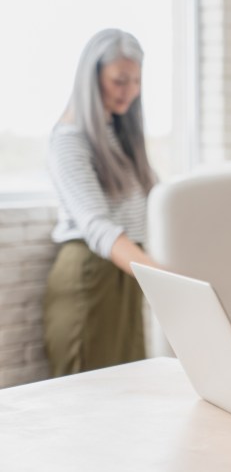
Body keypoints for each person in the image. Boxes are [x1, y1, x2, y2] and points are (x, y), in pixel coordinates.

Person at [43, 29, 161, 377]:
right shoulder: (69, 139)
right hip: (90, 276)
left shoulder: (122, 136)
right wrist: (161, 276)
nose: (129, 91)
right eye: (119, 80)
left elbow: (154, 199)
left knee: (129, 393)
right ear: (91, 77)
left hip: (127, 275)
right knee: (86, 397)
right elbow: (98, 226)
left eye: (136, 81)